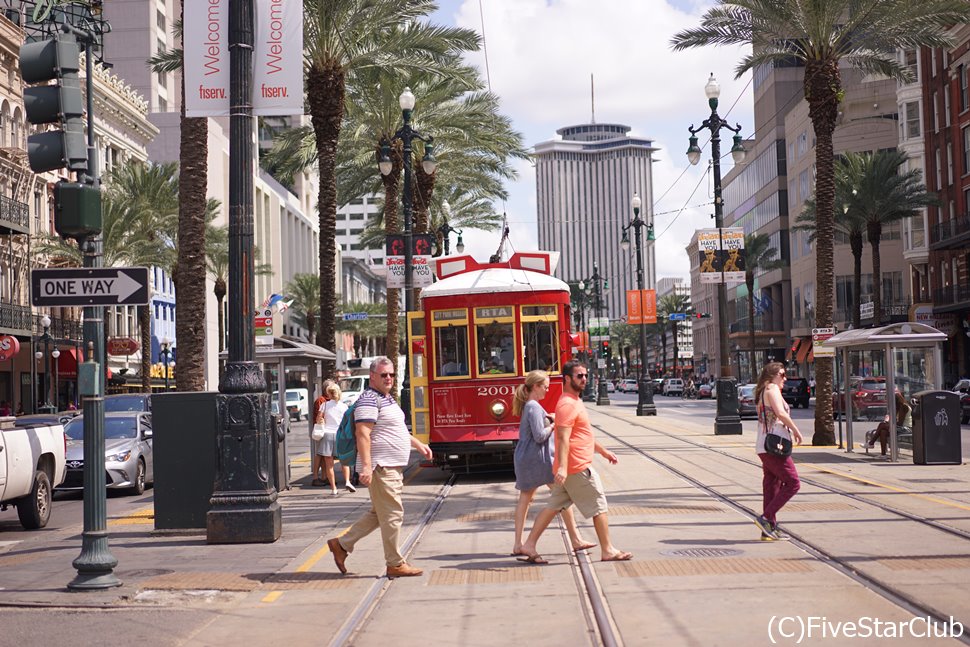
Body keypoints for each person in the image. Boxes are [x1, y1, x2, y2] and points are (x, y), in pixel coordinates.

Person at [327, 357, 433, 578]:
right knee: (393, 514)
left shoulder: (387, 398)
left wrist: (418, 444)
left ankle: (341, 544)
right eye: (384, 374)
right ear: (372, 376)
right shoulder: (368, 399)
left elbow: (397, 430)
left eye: (392, 375)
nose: (388, 378)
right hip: (381, 466)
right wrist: (366, 467)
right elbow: (362, 433)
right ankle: (394, 563)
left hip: (390, 465)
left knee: (378, 514)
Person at [518, 361, 632, 563]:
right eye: (579, 376)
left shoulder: (574, 401)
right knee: (599, 505)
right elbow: (562, 438)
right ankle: (608, 550)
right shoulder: (567, 405)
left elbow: (583, 434)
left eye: (586, 375)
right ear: (568, 379)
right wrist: (561, 467)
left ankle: (528, 544)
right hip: (577, 467)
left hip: (572, 466)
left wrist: (604, 453)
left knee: (552, 507)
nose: (584, 379)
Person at [511, 370, 595, 557]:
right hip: (538, 460)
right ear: (535, 387)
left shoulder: (531, 406)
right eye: (545, 387)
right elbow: (540, 436)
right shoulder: (533, 406)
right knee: (563, 494)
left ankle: (518, 544)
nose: (547, 391)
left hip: (528, 458)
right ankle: (575, 539)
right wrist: (554, 424)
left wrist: (547, 418)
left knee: (526, 499)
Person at [754, 362, 803, 541]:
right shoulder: (772, 388)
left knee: (771, 486)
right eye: (782, 374)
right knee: (793, 483)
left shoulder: (763, 391)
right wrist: (796, 430)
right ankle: (766, 518)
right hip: (774, 447)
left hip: (764, 446)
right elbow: (781, 414)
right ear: (772, 375)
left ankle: (768, 529)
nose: (785, 378)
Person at [319, 382, 353, 494]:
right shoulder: (344, 406)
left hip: (327, 435)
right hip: (340, 435)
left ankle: (333, 488)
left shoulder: (324, 405)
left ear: (328, 394)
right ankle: (347, 481)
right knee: (344, 460)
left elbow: (319, 419)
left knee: (329, 464)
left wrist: (323, 420)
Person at [869, 391, 911, 456]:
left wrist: (889, 424)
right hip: (901, 428)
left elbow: (900, 423)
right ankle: (883, 455)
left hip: (906, 428)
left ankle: (871, 443)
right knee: (883, 431)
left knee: (882, 425)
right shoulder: (899, 407)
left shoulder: (903, 407)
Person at [310, 379, 334, 486]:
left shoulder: (329, 400)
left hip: (327, 430)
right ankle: (315, 477)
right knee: (319, 454)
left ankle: (325, 476)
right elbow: (319, 417)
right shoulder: (321, 401)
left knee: (325, 455)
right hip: (322, 430)